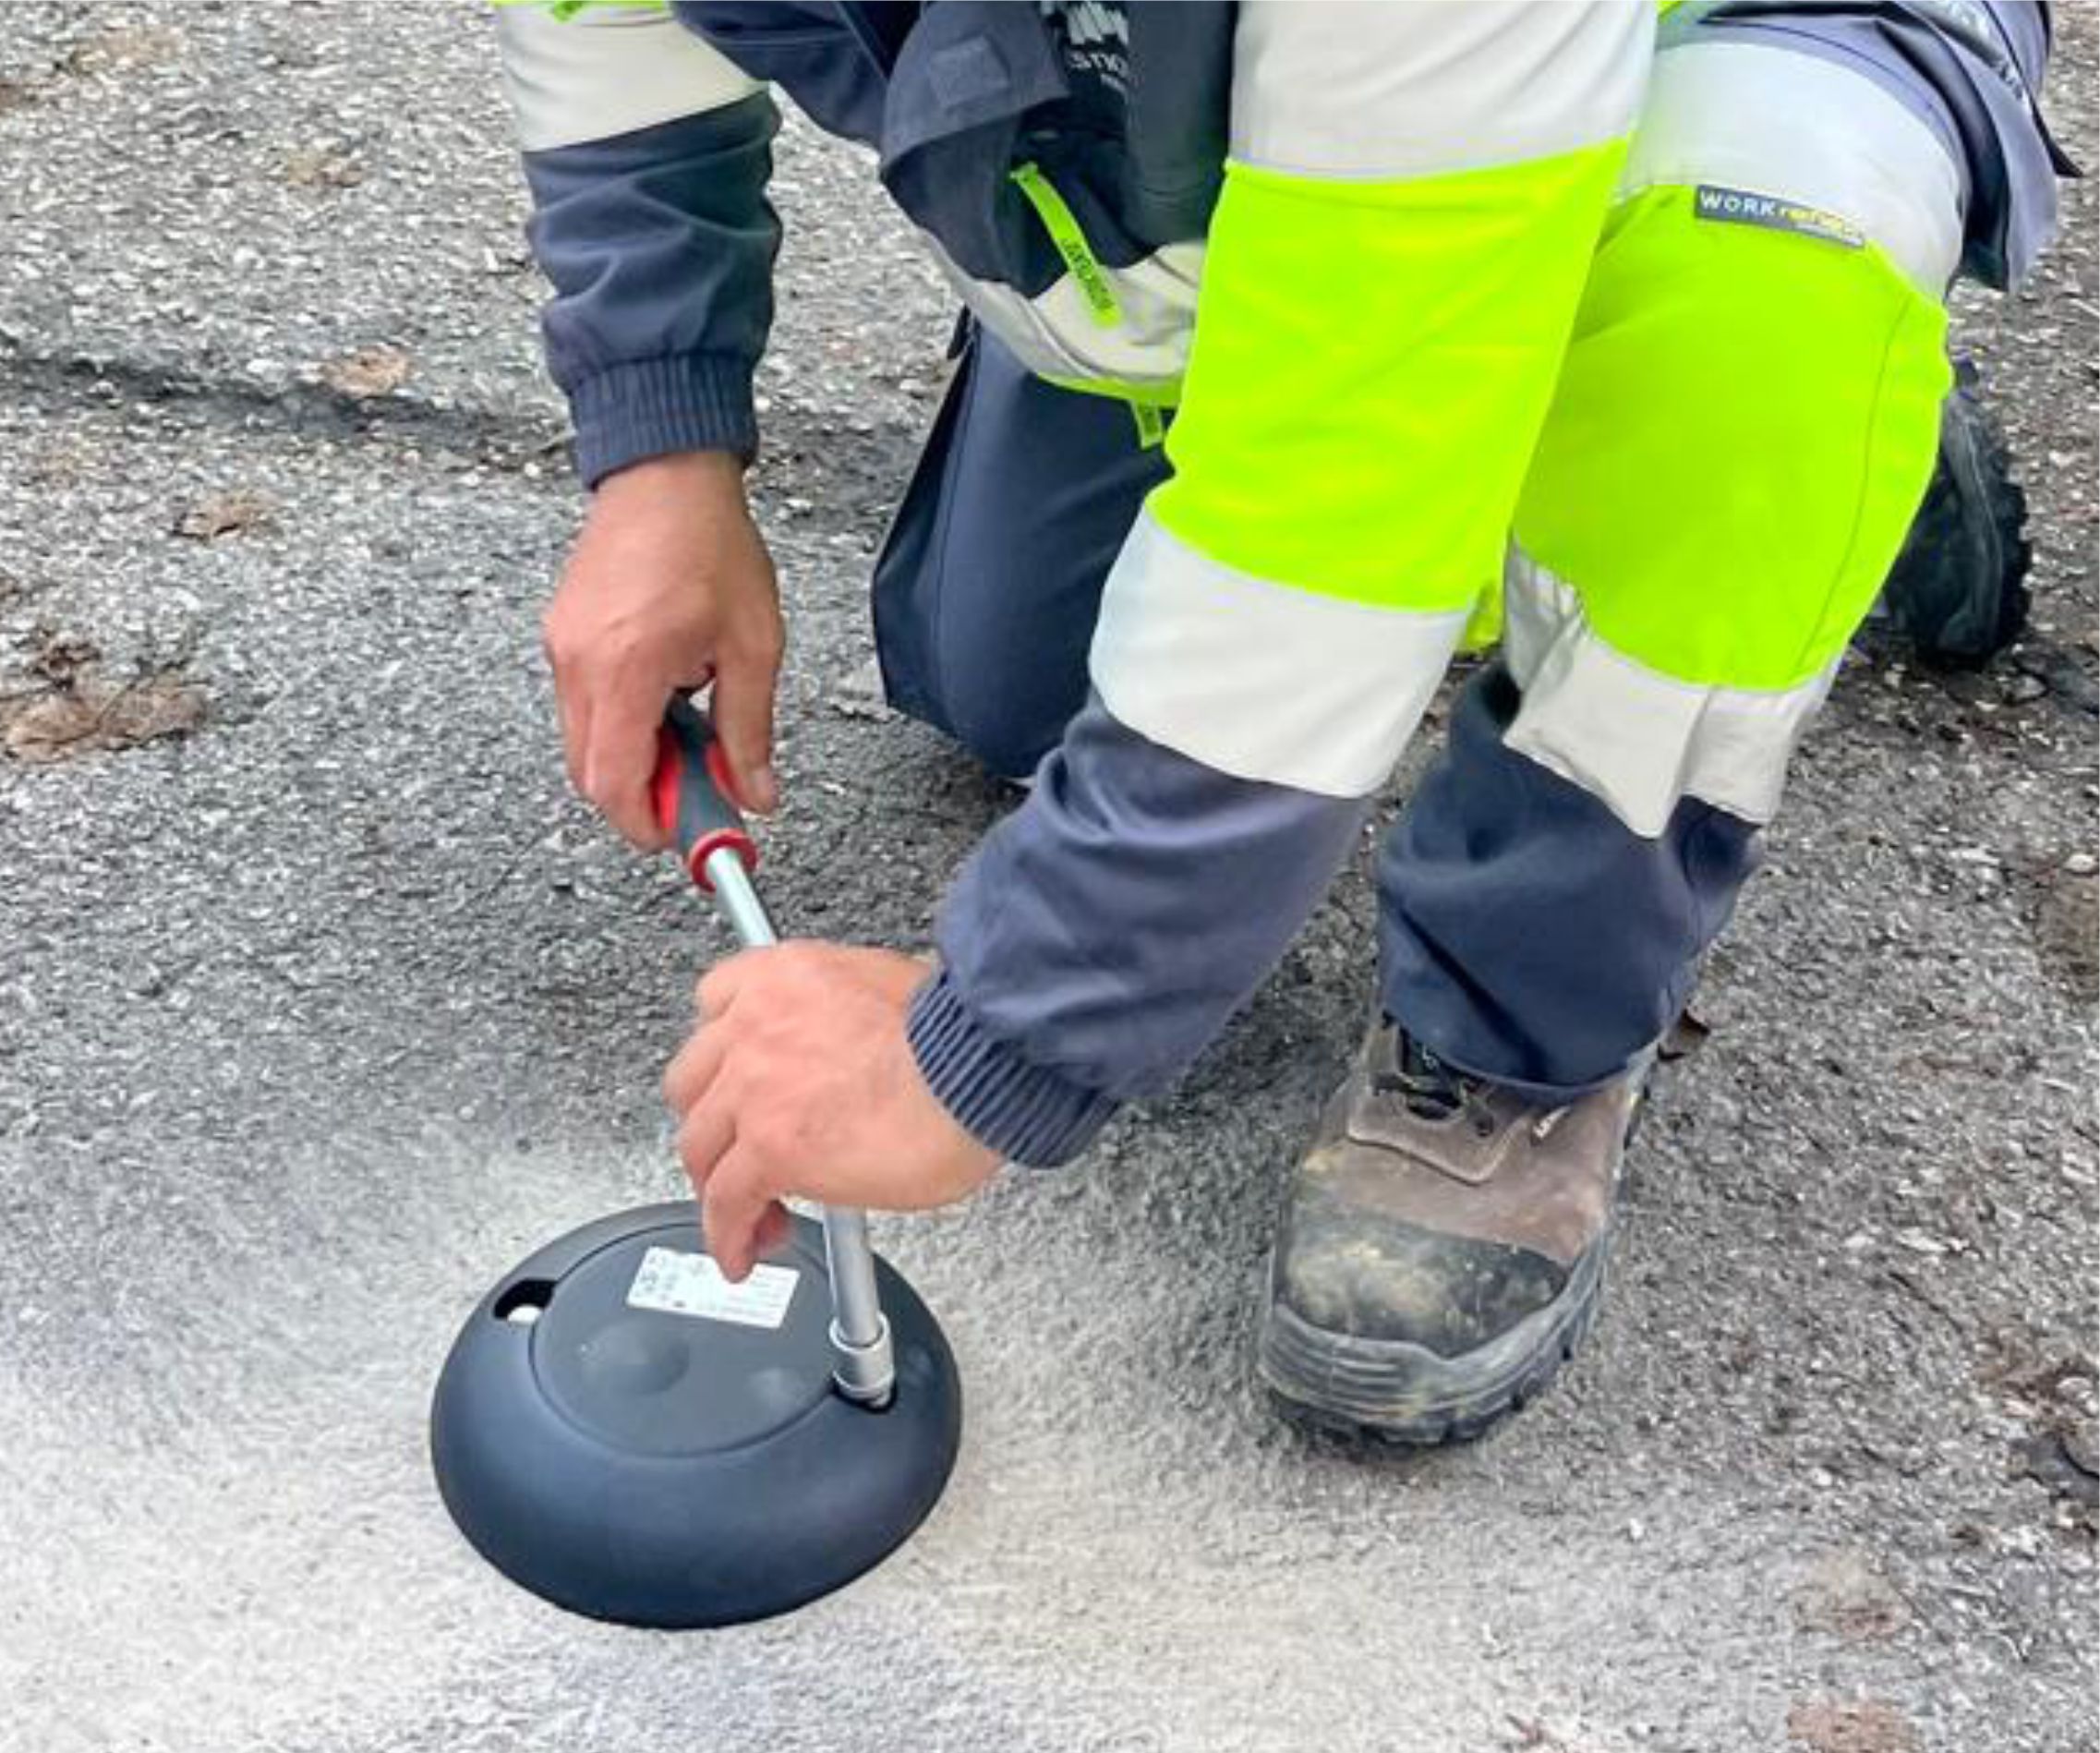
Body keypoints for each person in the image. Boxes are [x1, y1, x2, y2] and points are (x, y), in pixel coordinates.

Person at [493, 0, 2063, 1441]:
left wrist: (992, 1044)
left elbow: (1338, 511)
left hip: (1705, 48)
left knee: (1753, 277)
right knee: (1016, 687)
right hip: (1350, 139)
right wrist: (661, 451)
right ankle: (1492, 327)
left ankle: (1522, 1020)